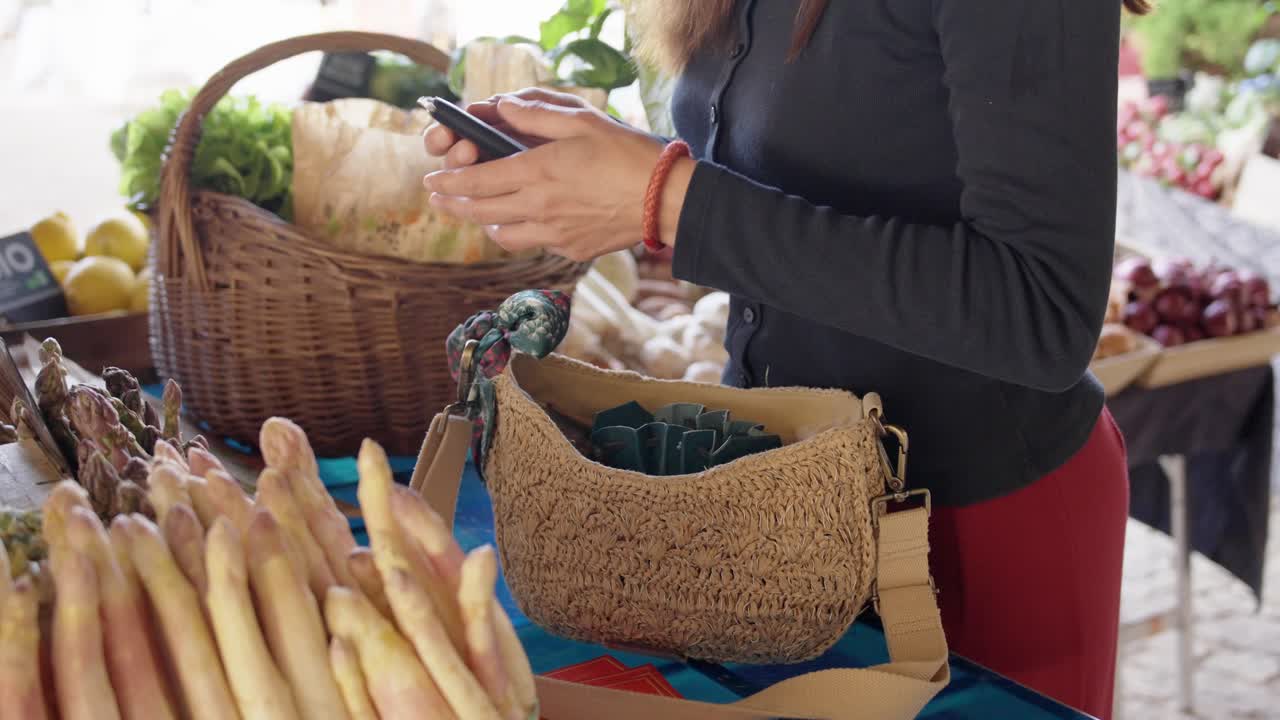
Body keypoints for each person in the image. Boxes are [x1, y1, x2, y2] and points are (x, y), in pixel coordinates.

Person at [424, 1, 1142, 716]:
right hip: (782, 519)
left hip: (983, 537)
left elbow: (1041, 311)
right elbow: (822, 171)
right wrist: (607, 164)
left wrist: (673, 200)